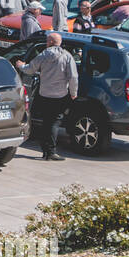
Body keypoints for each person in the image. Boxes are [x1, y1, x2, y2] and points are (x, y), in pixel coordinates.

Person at [15, 32, 78, 161]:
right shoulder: (67, 56)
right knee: (54, 122)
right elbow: (73, 77)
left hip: (44, 94)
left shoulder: (43, 55)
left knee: (46, 122)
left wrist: (21, 65)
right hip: (60, 95)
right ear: (59, 43)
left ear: (49, 42)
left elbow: (30, 69)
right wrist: (73, 93)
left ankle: (46, 150)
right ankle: (51, 152)